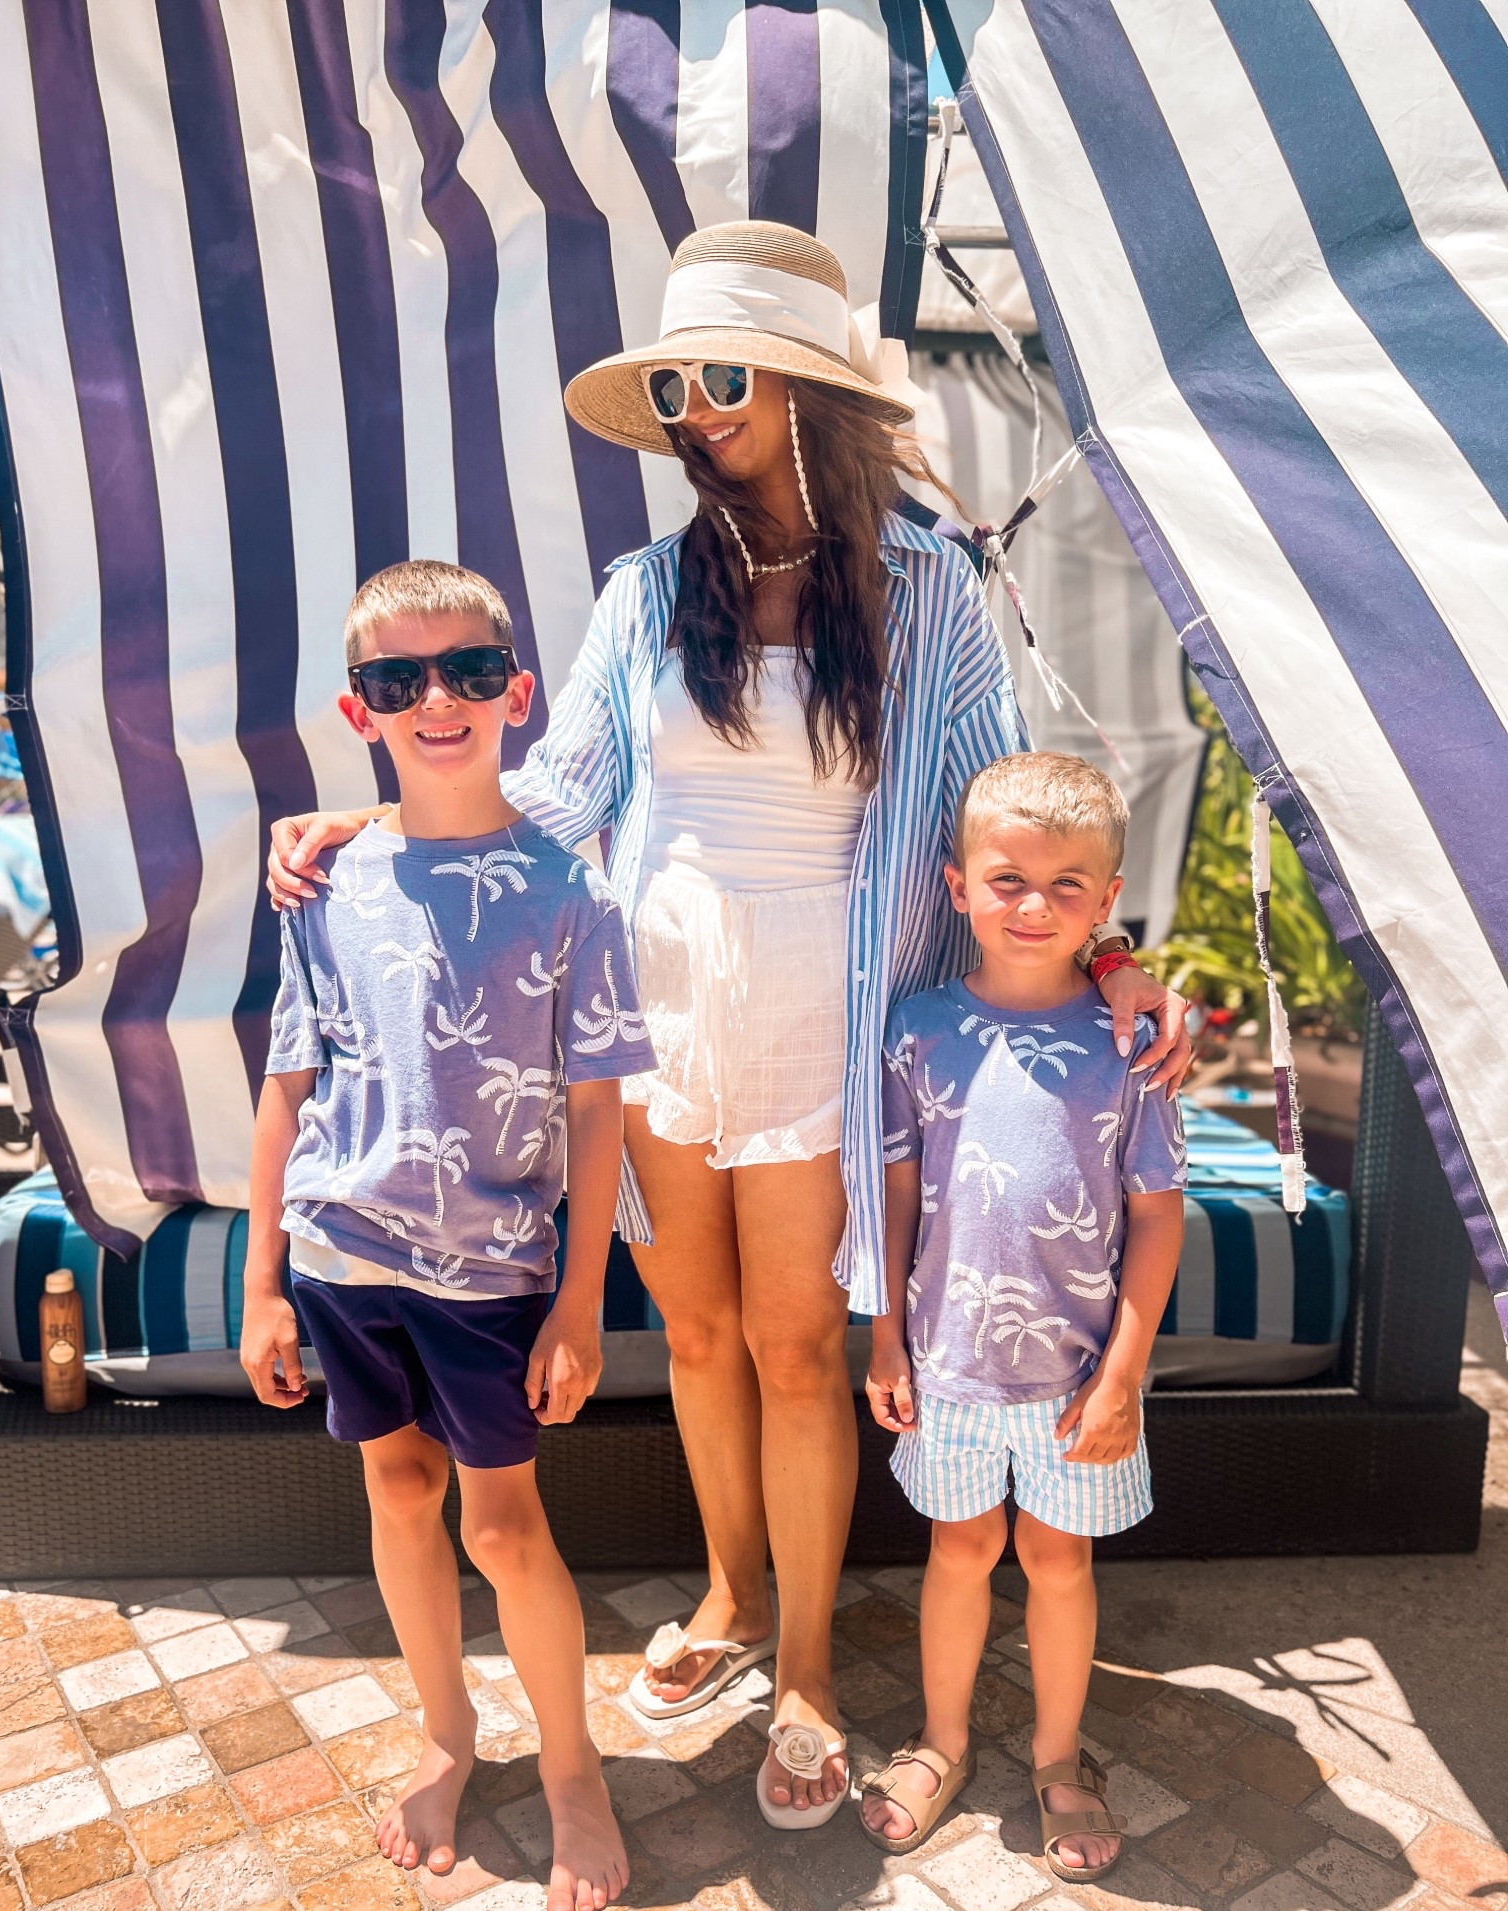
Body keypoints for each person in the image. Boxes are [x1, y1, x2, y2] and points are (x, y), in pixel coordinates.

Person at [266, 221, 1191, 1829]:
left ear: (804, 391)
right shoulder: (646, 592)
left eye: (720, 379)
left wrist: (1109, 961)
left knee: (792, 1347)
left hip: (829, 1023)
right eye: (673, 385)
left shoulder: (929, 589)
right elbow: (555, 797)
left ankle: (815, 1668)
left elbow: (998, 813)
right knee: (695, 1336)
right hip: (657, 1009)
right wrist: (371, 821)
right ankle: (731, 1594)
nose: (694, 412)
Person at [241, 561, 655, 1911]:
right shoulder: (323, 883)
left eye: (470, 673)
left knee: (506, 1523)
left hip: (492, 1276)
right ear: (359, 710)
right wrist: (262, 1287)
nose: (438, 699)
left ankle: (574, 1767)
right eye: (397, 679)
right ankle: (447, 1730)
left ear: (517, 696)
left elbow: (600, 1119)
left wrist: (583, 1302)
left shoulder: (570, 893)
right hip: (341, 1259)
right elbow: (289, 1085)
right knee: (398, 1496)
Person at [862, 753, 1185, 1872]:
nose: (1034, 906)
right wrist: (885, 1333)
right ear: (957, 885)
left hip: (1077, 1373)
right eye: (1008, 880)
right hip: (946, 1364)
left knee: (1057, 1559)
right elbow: (898, 1191)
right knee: (960, 1548)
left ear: (1107, 904)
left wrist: (1124, 1375)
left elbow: (1157, 1217)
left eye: (1067, 886)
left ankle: (1057, 1756)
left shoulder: (1132, 1046)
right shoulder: (915, 1028)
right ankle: (943, 1739)